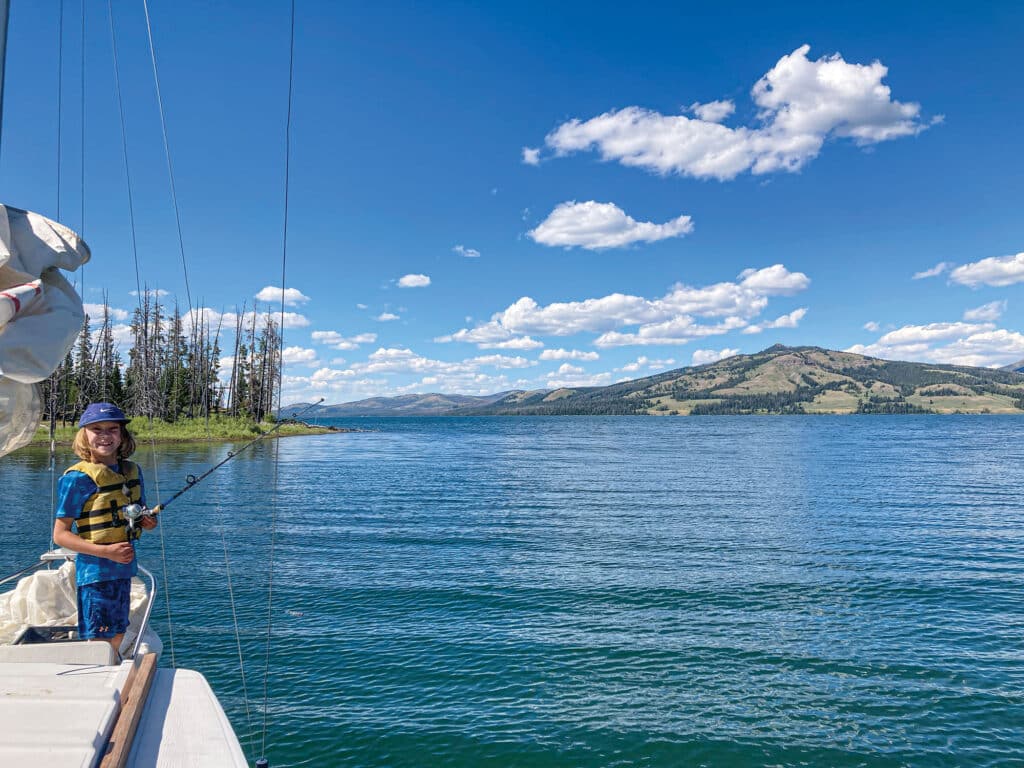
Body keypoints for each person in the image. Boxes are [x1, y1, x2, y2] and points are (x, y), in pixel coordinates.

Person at [52, 402, 158, 658]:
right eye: (96, 429)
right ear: (83, 435)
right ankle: (100, 680)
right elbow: (60, 535)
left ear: (122, 435)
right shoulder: (77, 479)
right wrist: (107, 551)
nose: (105, 435)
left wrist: (147, 521)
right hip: (95, 573)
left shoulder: (132, 471)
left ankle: (111, 670)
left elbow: (138, 511)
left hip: (123, 568)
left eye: (112, 429)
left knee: (119, 630)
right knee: (100, 638)